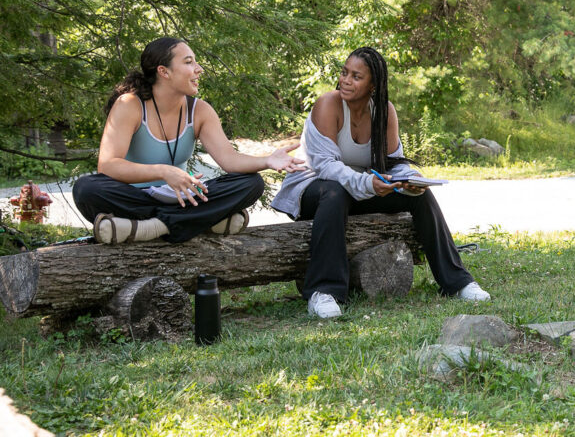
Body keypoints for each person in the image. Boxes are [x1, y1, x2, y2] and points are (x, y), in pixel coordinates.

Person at [271, 46, 490, 318]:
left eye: (356, 76)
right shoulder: (328, 104)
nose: (346, 81)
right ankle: (324, 292)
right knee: (336, 192)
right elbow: (327, 167)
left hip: (360, 188)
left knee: (419, 195)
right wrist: (368, 184)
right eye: (344, 73)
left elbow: (393, 162)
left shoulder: (384, 111)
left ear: (373, 84)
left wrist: (409, 179)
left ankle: (458, 282)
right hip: (315, 188)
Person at [73, 37, 305, 244]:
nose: (198, 69)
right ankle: (201, 222)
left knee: (251, 184)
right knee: (87, 188)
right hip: (135, 198)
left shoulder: (200, 110)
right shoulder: (130, 105)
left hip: (183, 199)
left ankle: (152, 228)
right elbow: (108, 165)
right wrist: (164, 172)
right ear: (164, 71)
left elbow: (230, 160)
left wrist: (267, 160)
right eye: (188, 62)